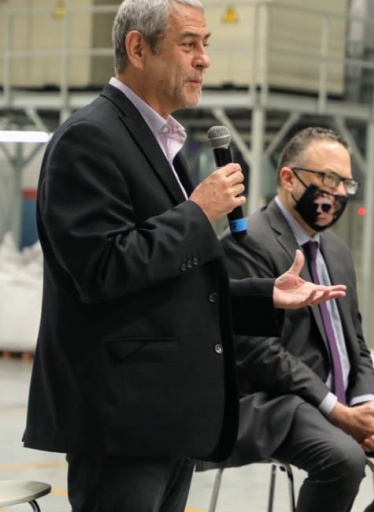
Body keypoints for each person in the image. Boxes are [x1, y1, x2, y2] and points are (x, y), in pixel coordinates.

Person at [22, 2, 345, 511]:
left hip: (167, 417)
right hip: (121, 421)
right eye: (188, 44)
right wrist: (198, 213)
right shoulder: (90, 137)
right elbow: (102, 269)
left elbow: (167, 284)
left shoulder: (162, 142)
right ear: (138, 48)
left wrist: (263, 295)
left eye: (205, 45)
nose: (204, 60)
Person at [214, 126, 374, 512]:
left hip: (344, 403)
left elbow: (355, 343)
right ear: (288, 178)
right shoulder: (248, 243)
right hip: (280, 404)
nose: (339, 192)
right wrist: (336, 410)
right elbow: (259, 354)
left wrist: (366, 404)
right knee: (345, 458)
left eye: (346, 183)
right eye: (329, 179)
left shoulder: (336, 250)